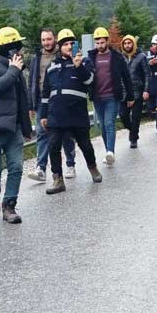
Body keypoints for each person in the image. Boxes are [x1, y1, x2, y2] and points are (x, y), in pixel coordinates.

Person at [0, 26, 33, 225]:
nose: (20, 50)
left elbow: (22, 100)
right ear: (8, 48)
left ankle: (9, 205)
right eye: (16, 46)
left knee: (16, 167)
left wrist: (26, 128)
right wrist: (13, 70)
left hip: (14, 128)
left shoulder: (18, 69)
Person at [39, 29, 103, 193]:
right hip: (56, 115)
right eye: (65, 44)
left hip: (77, 114)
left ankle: (93, 167)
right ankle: (58, 180)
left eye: (71, 43)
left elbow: (90, 80)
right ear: (59, 46)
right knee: (53, 147)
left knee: (85, 145)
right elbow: (46, 93)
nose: (69, 46)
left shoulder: (85, 62)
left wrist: (79, 65)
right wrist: (44, 114)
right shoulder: (52, 67)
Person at [27, 28, 77, 182]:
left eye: (48, 39)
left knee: (66, 134)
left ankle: (70, 164)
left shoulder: (63, 53)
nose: (46, 42)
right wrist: (31, 104)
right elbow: (32, 81)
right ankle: (41, 168)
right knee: (42, 134)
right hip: (43, 101)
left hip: (60, 100)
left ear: (54, 39)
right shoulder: (37, 57)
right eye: (43, 40)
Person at [87, 26, 134, 165]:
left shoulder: (117, 57)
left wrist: (130, 96)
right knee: (102, 126)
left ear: (107, 41)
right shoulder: (91, 57)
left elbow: (126, 77)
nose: (100, 45)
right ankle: (108, 151)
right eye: (97, 42)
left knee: (109, 123)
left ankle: (110, 152)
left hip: (112, 96)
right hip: (97, 97)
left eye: (102, 42)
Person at [120, 35, 147, 149]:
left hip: (137, 92)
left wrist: (146, 90)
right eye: (125, 43)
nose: (127, 45)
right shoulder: (120, 57)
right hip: (124, 93)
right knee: (123, 115)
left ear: (133, 44)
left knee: (136, 117)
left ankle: (133, 139)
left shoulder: (141, 57)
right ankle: (133, 131)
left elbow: (147, 74)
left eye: (129, 43)